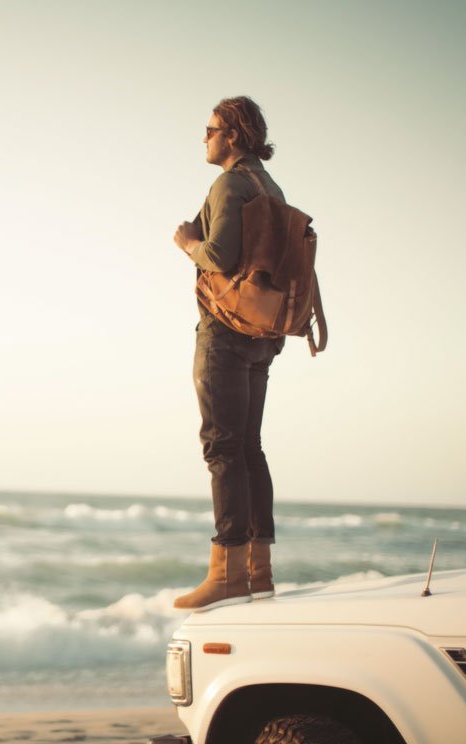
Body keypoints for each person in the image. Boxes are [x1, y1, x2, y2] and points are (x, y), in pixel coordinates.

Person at [171, 96, 284, 611]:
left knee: (221, 447)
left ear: (233, 134)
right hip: (262, 333)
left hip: (225, 329)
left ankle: (226, 572)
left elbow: (218, 255)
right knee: (250, 448)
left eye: (211, 128)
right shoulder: (270, 186)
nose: (205, 137)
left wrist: (187, 243)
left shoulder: (230, 184)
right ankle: (258, 571)